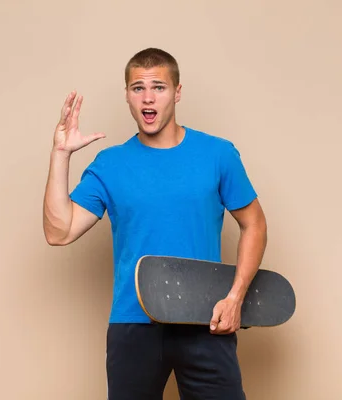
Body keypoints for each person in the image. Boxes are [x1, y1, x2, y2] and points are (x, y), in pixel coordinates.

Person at [43, 48, 267, 400]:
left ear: (177, 92)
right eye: (138, 88)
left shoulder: (218, 154)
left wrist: (235, 297)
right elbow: (59, 231)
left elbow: (254, 224)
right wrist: (60, 154)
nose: (148, 97)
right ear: (128, 97)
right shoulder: (111, 163)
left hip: (205, 320)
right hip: (133, 324)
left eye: (159, 87)